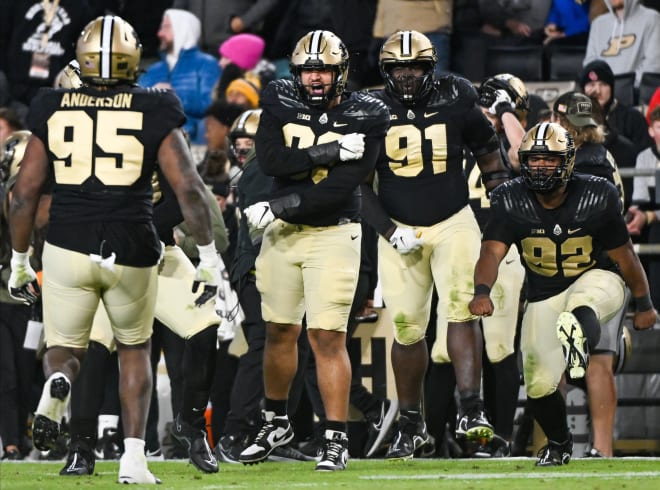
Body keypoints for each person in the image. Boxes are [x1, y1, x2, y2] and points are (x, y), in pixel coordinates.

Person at [8, 15, 221, 484]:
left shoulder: (51, 103)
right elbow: (189, 188)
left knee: (65, 348)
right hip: (133, 243)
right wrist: (210, 257)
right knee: (134, 348)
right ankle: (133, 458)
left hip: (68, 243)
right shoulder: (156, 104)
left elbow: (23, 194)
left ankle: (59, 380)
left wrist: (20, 260)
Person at [237, 29, 389, 471]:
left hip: (333, 234)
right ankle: (275, 420)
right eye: (307, 70)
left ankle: (335, 437)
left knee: (326, 337)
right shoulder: (280, 98)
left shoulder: (367, 112)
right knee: (279, 331)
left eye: (323, 70)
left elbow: (345, 186)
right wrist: (329, 149)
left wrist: (281, 202)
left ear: (341, 72)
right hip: (284, 235)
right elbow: (272, 161)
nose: (315, 78)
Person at [469, 121, 656, 466]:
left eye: (549, 159)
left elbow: (626, 256)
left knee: (581, 305)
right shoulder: (510, 198)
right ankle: (559, 443)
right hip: (544, 294)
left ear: (568, 161)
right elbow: (491, 252)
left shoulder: (596, 195)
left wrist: (644, 303)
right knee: (539, 384)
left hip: (599, 278)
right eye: (533, 159)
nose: (540, 166)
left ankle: (578, 344)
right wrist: (482, 290)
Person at [361, 30, 508, 460]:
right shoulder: (370, 108)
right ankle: (410, 424)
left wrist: (500, 196)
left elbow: (486, 146)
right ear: (385, 71)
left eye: (416, 66)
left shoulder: (456, 93)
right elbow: (356, 186)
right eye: (399, 67)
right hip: (397, 225)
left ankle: (471, 410)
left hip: (453, 220)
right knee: (407, 326)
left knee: (463, 307)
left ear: (431, 66)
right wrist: (389, 230)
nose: (407, 75)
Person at [552, 91, 628, 458]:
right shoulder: (604, 157)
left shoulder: (586, 163)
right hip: (604, 271)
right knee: (594, 362)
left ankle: (571, 445)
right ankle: (601, 450)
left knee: (575, 362)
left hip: (585, 270)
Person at [0, 131, 40, 461]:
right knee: (8, 376)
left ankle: (27, 437)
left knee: (29, 375)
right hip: (1, 301)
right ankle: (10, 442)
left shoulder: (49, 203)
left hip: (34, 306)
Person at [138, 9, 221, 144]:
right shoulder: (153, 70)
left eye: (166, 27)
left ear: (183, 29)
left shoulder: (206, 64)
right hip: (151, 137)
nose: (160, 33)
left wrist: (172, 96)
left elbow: (211, 105)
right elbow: (135, 103)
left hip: (191, 139)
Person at [1, 0, 92, 107]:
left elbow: (84, 48)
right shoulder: (11, 3)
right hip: (14, 89)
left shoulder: (79, 6)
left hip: (58, 94)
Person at [579, 59, 652, 156]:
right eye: (591, 85)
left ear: (612, 88)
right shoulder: (575, 120)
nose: (597, 90)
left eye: (603, 84)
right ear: (583, 90)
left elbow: (645, 158)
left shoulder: (633, 118)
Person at [583, 0, 660, 87]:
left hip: (635, 94)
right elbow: (590, 64)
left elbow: (653, 65)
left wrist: (625, 88)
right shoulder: (598, 24)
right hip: (602, 95)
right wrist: (601, 88)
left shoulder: (652, 19)